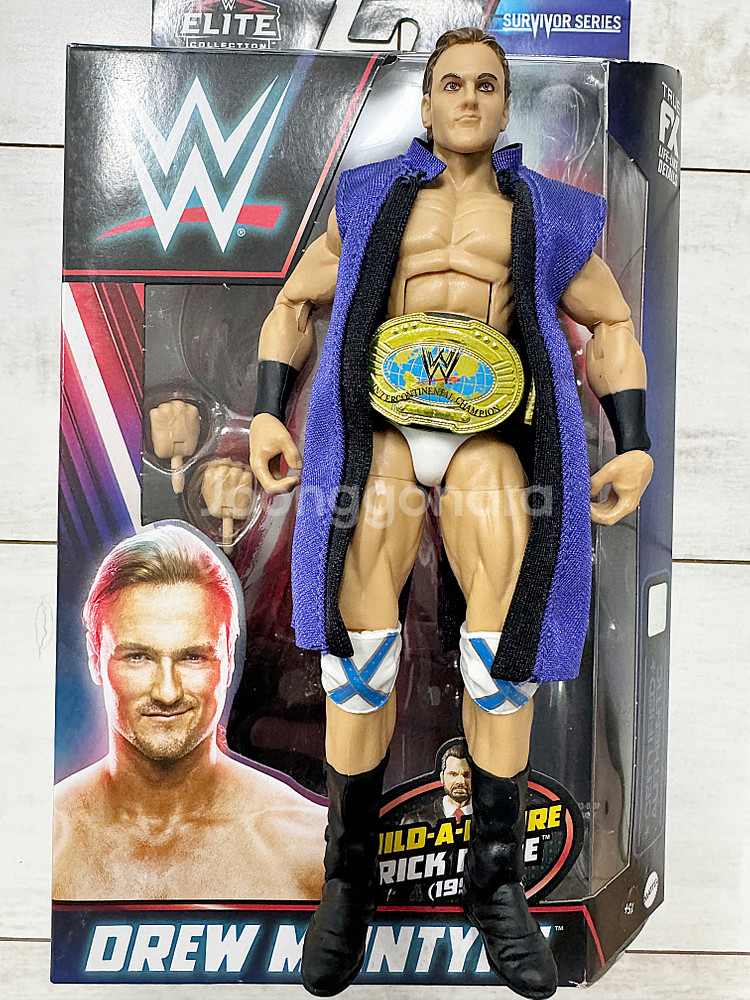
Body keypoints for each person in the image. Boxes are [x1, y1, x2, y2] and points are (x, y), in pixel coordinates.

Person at [249, 27, 652, 998]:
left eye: (486, 84)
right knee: (357, 640)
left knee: (505, 640)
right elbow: (295, 302)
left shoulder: (544, 213)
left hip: (487, 433)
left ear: (505, 105)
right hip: (382, 428)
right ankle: (349, 880)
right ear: (426, 104)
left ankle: (497, 881)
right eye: (452, 84)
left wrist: (634, 439)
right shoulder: (368, 199)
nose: (469, 98)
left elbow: (612, 319)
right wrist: (266, 409)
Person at [53, 524, 326, 901]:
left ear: (229, 660)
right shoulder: (42, 842)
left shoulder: (306, 849)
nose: (167, 692)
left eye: (193, 657)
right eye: (138, 657)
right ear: (95, 656)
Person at [402, 741, 473, 826]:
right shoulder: (416, 820)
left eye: (466, 775)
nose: (460, 781)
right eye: (453, 774)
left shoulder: (486, 818)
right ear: (442, 777)